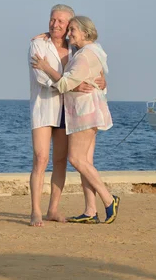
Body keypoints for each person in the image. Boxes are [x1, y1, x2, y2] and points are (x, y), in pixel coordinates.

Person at [32, 16, 120, 224]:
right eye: (68, 29)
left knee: (76, 159)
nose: (69, 33)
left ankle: (109, 199)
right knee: (86, 162)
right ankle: (90, 210)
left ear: (85, 33)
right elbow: (97, 77)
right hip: (92, 110)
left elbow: (64, 84)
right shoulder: (95, 51)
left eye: (72, 30)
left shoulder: (83, 56)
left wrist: (46, 67)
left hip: (84, 111)